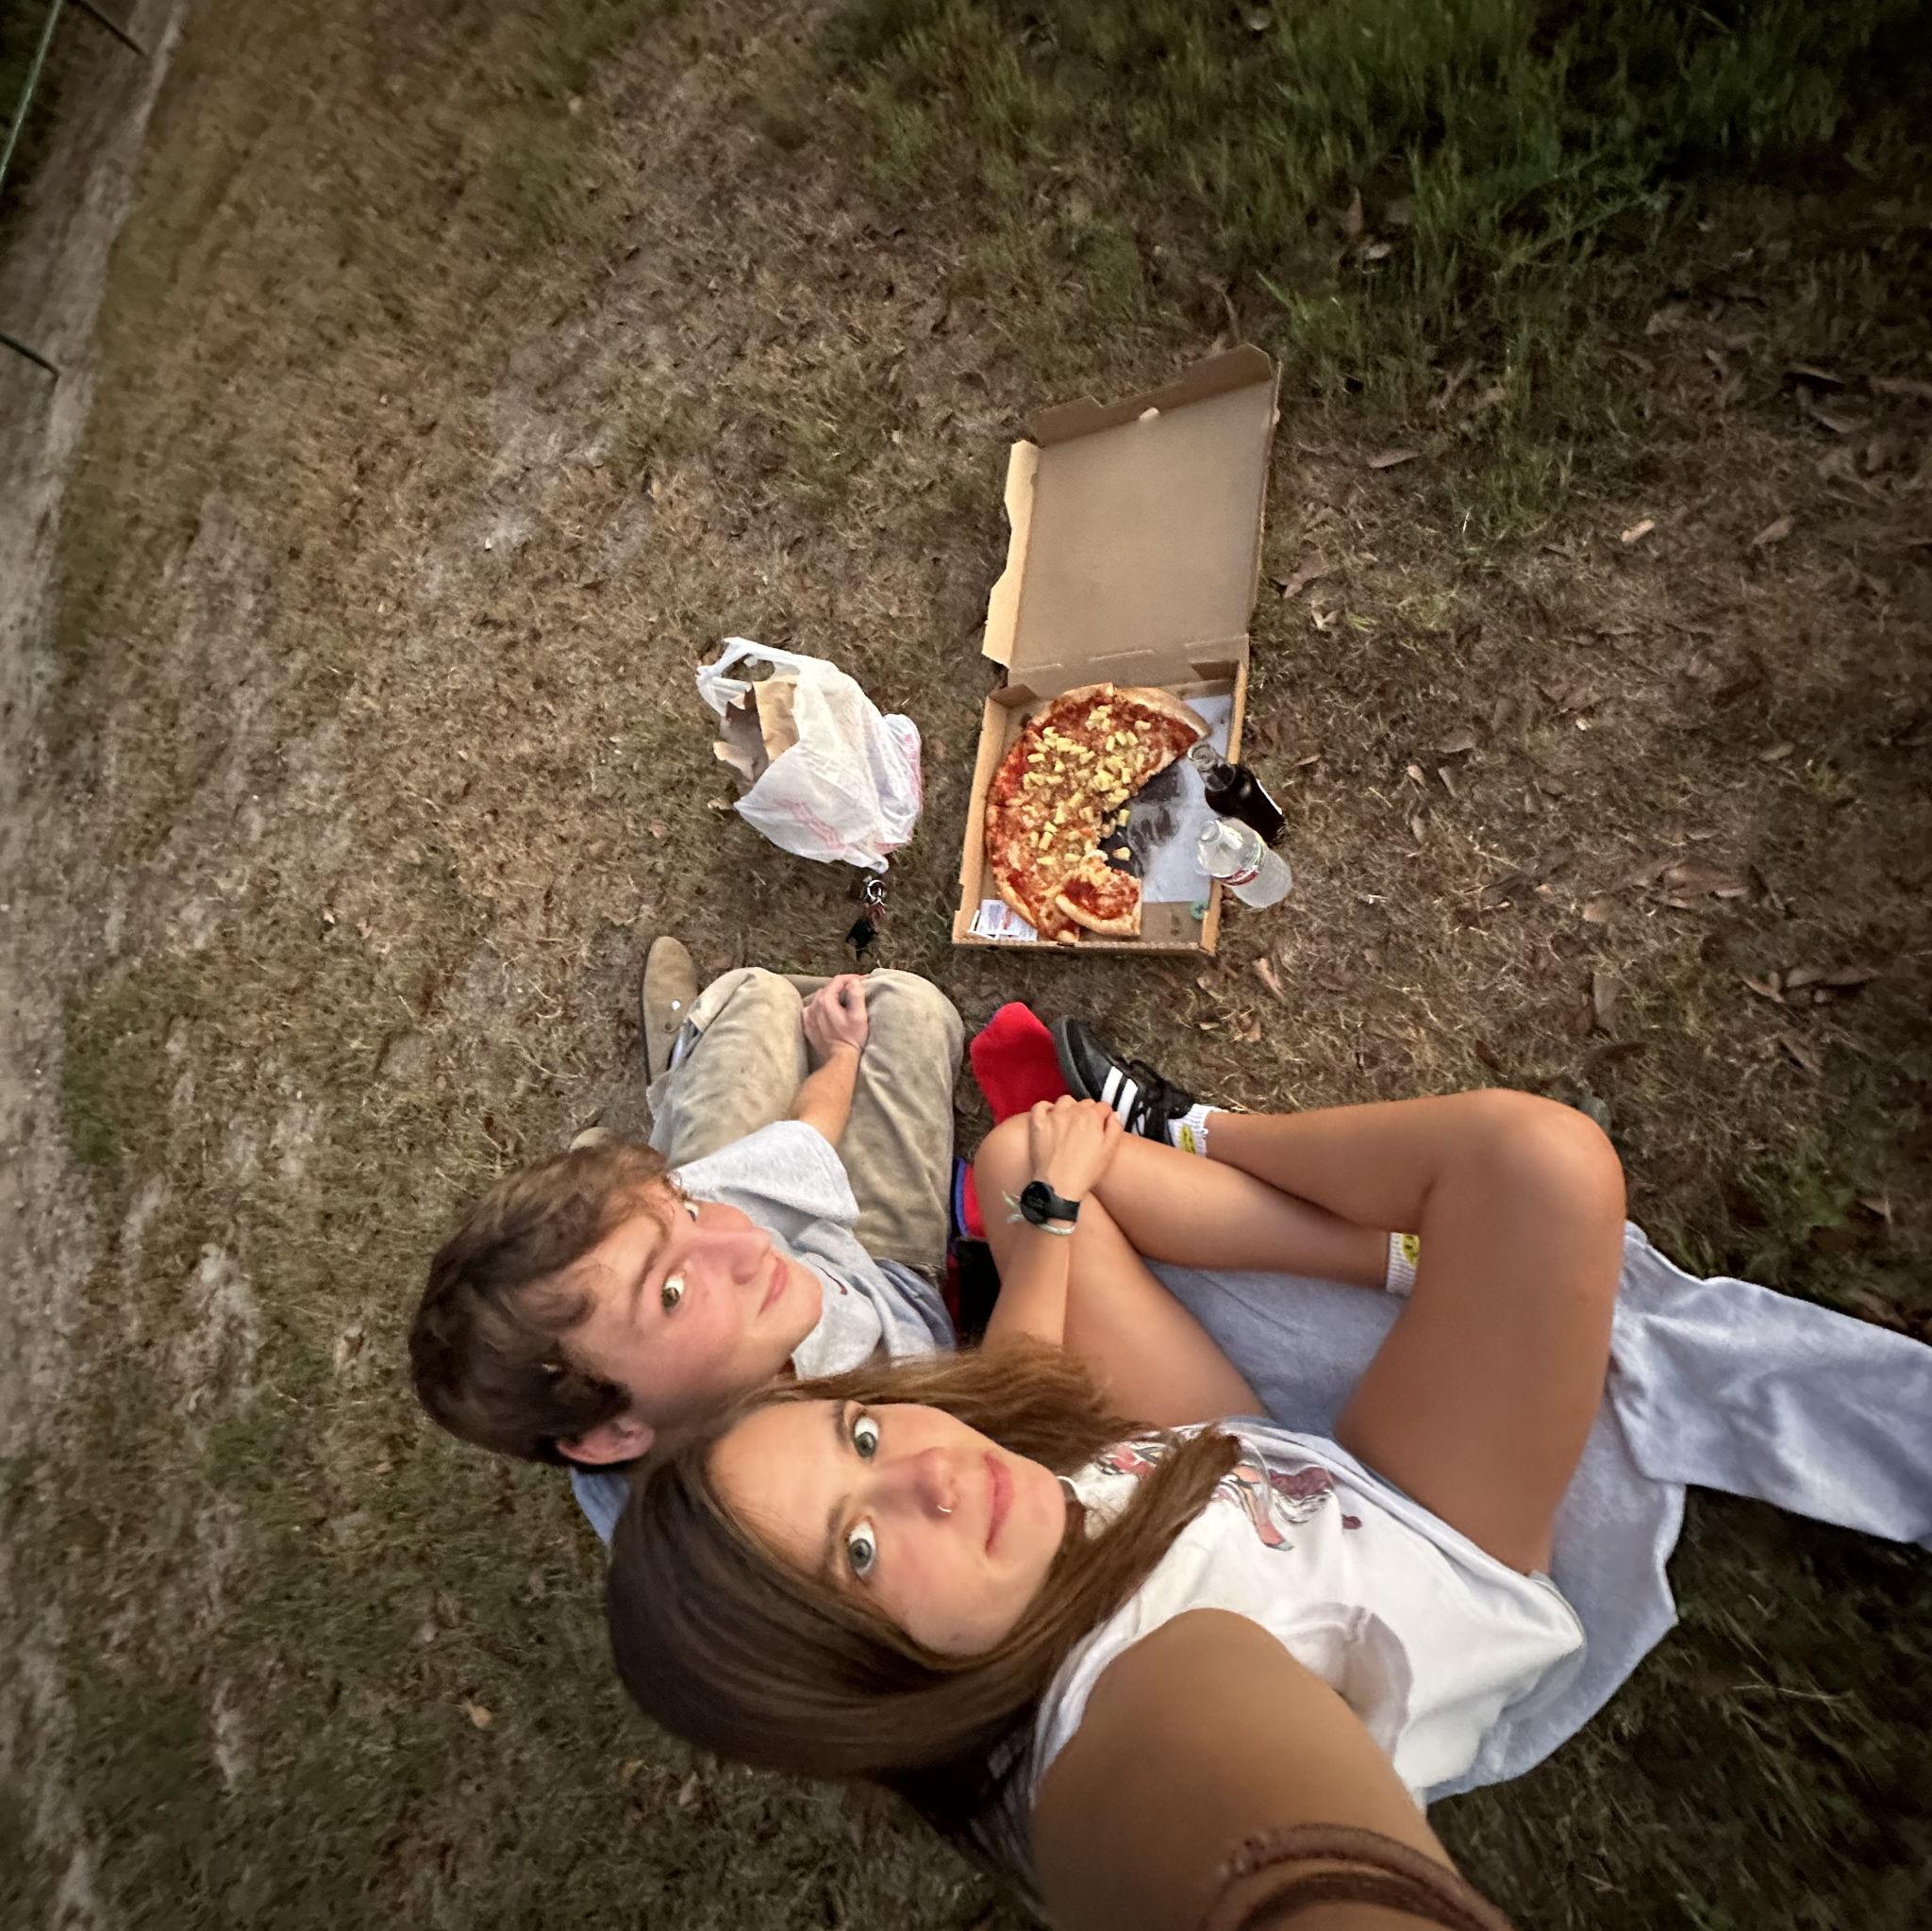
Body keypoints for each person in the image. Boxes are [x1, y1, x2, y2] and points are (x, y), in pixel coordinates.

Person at [606, 1090, 1932, 1930]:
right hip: (1403, 1534)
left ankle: (1214, 1142)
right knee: (1542, 1165)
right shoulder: (1126, 1720)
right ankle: (1241, 1165)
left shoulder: (985, 1501)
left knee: (1021, 1159)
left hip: (1219, 1473)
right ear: (860, 1686)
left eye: (864, 1428)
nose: (935, 1469)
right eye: (858, 1545)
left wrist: (1054, 1212)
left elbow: (1007, 1385)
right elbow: (1251, 1842)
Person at [408, 943, 966, 1540]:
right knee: (905, 1005)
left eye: (689, 1212)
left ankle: (680, 1106)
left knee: (761, 992)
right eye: (671, 1293)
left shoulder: (717, 1222)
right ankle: (687, 1080)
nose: (752, 1245)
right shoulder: (777, 1549)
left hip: (822, 1246)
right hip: (893, 1278)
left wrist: (843, 1054)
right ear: (614, 1435)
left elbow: (806, 1141)